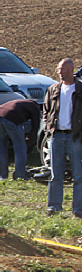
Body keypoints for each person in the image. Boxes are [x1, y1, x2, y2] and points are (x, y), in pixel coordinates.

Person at [43, 58, 82, 218]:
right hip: (57, 136)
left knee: (78, 176)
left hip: (75, 137)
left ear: (72, 69)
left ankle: (78, 210)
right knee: (55, 174)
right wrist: (48, 127)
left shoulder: (80, 89)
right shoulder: (53, 89)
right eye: (58, 69)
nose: (60, 72)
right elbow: (46, 111)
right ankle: (54, 207)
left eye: (63, 69)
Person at [0, 99, 40, 180]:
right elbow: (35, 125)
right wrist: (30, 139)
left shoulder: (20, 103)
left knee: (1, 149)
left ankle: (2, 176)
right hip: (12, 119)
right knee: (20, 149)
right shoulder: (34, 107)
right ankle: (20, 176)